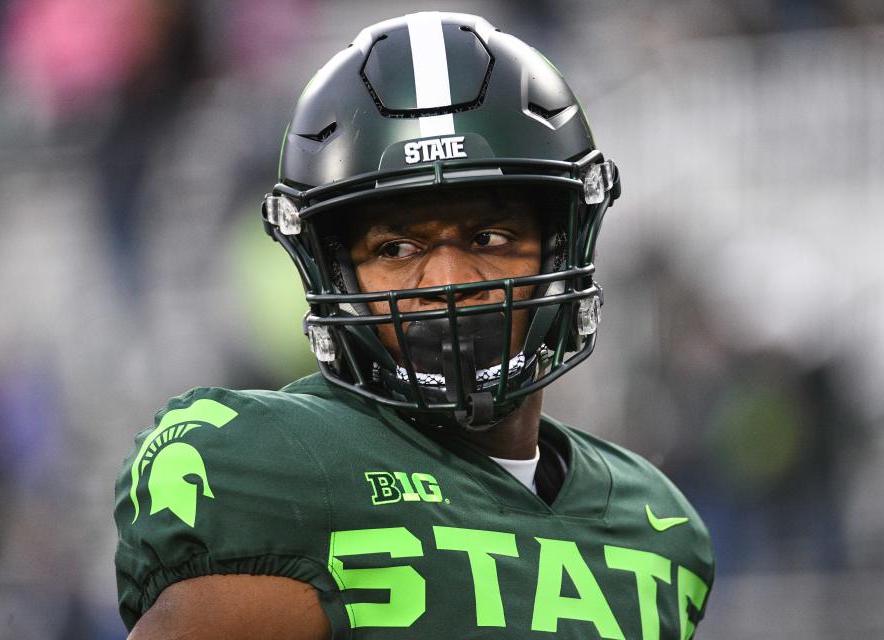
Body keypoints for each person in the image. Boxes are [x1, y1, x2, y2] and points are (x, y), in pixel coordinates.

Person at [114, 11, 714, 639]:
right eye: (396, 249)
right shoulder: (274, 469)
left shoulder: (660, 531)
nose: (449, 280)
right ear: (334, 273)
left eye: (490, 235)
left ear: (561, 249)